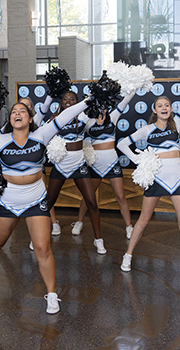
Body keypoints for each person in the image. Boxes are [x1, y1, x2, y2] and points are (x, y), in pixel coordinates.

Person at [0, 98, 90, 314]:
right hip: (8, 200)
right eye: (14, 111)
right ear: (10, 119)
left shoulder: (41, 134)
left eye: (22, 111)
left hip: (36, 199)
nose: (17, 113)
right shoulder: (0, 140)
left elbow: (66, 115)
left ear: (30, 118)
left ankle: (51, 295)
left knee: (43, 248)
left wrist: (89, 100)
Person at [117, 95, 180, 278]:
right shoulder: (147, 129)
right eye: (160, 106)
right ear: (154, 110)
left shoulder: (176, 124)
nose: (164, 108)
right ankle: (128, 255)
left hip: (177, 178)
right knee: (143, 221)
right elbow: (122, 144)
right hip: (157, 178)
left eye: (167, 105)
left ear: (171, 109)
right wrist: (137, 159)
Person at [43, 91, 107, 254]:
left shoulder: (83, 117)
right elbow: (44, 135)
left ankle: (98, 240)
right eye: (65, 99)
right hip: (60, 166)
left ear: (77, 102)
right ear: (61, 102)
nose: (68, 101)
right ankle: (38, 238)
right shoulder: (56, 119)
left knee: (92, 202)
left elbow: (93, 106)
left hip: (78, 165)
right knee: (49, 202)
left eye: (72, 99)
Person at [70, 90, 137, 239]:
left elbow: (125, 101)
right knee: (88, 196)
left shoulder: (113, 117)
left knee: (120, 196)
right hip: (95, 163)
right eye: (99, 104)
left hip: (112, 162)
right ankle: (79, 222)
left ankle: (129, 227)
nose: (102, 107)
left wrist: (134, 88)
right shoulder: (88, 121)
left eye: (104, 104)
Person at [0, 96, 53, 231]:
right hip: (11, 173)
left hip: (35, 167)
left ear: (31, 111)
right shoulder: (8, 130)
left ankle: (48, 224)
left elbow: (44, 109)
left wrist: (50, 96)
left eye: (25, 107)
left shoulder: (36, 123)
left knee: (43, 192)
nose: (18, 113)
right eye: (15, 110)